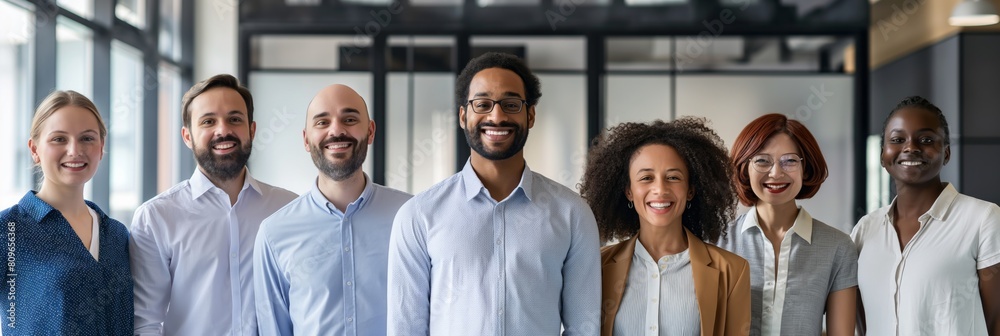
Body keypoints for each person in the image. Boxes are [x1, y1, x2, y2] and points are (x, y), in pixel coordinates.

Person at [386, 52, 601, 335]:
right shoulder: (418, 215)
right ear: (463, 116)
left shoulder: (572, 213)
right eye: (483, 104)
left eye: (511, 104)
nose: (497, 116)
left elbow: (584, 327)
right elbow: (406, 328)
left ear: (531, 115)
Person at [130, 74, 297, 336]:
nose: (223, 130)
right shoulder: (156, 217)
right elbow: (146, 322)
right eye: (208, 121)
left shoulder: (289, 209)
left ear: (251, 131)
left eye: (235, 119)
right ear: (187, 136)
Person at [254, 84, 412, 335]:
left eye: (349, 119)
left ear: (370, 131)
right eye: (322, 122)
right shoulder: (274, 233)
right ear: (306, 140)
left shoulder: (410, 216)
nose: (336, 130)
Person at [580, 117, 750, 336]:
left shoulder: (732, 271)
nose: (660, 189)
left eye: (673, 177)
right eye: (646, 178)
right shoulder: (596, 266)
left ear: (691, 190)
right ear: (628, 191)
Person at [852, 96, 1000, 336]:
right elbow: (859, 319)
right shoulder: (865, 229)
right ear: (882, 155)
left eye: (926, 139)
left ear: (947, 153)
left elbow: (996, 320)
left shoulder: (983, 219)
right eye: (898, 140)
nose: (910, 147)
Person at [0, 90, 132, 335]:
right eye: (59, 139)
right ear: (34, 149)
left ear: (101, 147)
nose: (74, 150)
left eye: (87, 139)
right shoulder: (8, 228)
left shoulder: (116, 234)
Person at [717, 113, 857, 336]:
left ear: (806, 167)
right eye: (762, 160)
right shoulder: (717, 242)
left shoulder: (838, 248)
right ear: (744, 167)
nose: (776, 173)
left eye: (790, 160)